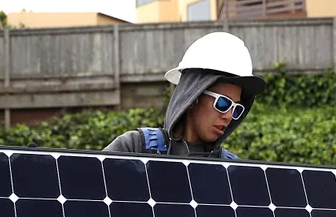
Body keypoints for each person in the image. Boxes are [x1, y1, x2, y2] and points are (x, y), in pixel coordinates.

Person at [104, 31, 267, 160]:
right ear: (193, 96)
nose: (229, 116)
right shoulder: (133, 147)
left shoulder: (233, 170)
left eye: (236, 109)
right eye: (223, 103)